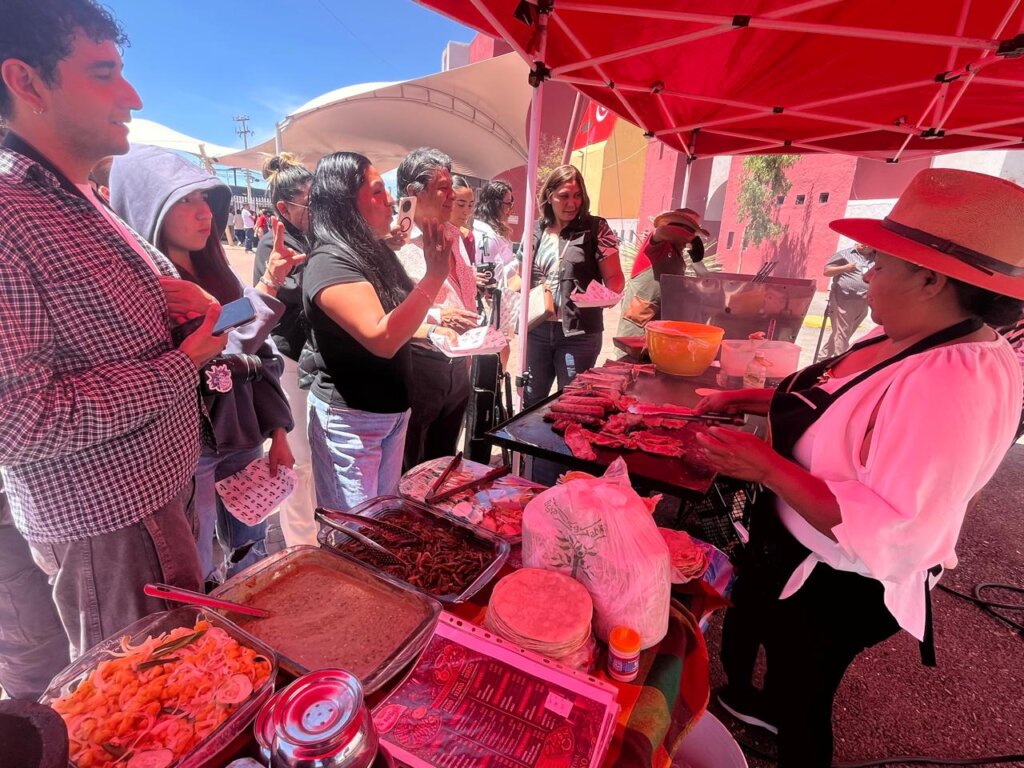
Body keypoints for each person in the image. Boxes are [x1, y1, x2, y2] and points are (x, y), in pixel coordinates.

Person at [693, 168, 1024, 767]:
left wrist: (766, 467)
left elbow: (898, 530)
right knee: (764, 638)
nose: (866, 273)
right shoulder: (910, 333)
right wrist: (743, 400)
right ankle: (749, 698)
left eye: (881, 263)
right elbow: (838, 405)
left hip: (839, 580)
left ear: (929, 278)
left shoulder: (950, 382)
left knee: (805, 698)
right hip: (790, 548)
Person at [0, 0, 224, 657]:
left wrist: (161, 299)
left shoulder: (76, 197)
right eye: (103, 74)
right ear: (26, 82)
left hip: (149, 505)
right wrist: (178, 367)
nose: (132, 95)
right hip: (113, 528)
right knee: (146, 721)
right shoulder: (10, 214)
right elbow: (17, 421)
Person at [111, 144, 293, 583]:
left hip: (244, 439)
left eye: (206, 199)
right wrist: (260, 291)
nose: (203, 213)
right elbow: (221, 350)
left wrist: (278, 430)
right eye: (184, 201)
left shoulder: (219, 272)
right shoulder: (148, 288)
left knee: (253, 551)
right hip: (188, 453)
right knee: (197, 562)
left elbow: (256, 356)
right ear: (146, 206)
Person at [302, 151, 452, 511]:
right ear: (344, 201)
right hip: (351, 423)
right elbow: (382, 338)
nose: (390, 200)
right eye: (376, 191)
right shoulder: (329, 261)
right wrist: (434, 276)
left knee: (382, 521)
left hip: (390, 415)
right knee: (356, 534)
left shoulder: (369, 249)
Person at [396, 148, 479, 469]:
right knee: (411, 465)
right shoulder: (395, 243)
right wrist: (437, 318)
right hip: (418, 365)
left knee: (443, 464)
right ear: (413, 192)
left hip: (457, 366)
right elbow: (386, 313)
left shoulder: (452, 234)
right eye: (443, 187)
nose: (452, 194)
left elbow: (462, 294)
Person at [253, 152, 317, 546]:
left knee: (314, 456)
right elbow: (287, 295)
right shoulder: (270, 244)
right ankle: (302, 545)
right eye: (311, 202)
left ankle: (315, 532)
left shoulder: (315, 237)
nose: (317, 209)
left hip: (313, 362)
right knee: (300, 461)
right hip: (288, 361)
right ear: (283, 206)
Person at [524, 164, 624, 407]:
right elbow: (522, 276)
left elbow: (616, 278)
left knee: (572, 402)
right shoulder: (536, 229)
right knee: (531, 400)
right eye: (564, 196)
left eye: (577, 195)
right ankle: (527, 445)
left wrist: (608, 295)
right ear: (549, 196)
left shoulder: (596, 228)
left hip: (579, 333)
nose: (572, 203)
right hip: (536, 329)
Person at [616, 208, 709, 338]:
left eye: (692, 231)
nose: (688, 236)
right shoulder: (657, 244)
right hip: (638, 329)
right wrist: (692, 239)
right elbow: (662, 231)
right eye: (687, 231)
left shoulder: (678, 255)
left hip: (659, 327)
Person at [472, 179, 522, 357]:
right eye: (508, 203)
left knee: (501, 349)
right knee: (496, 351)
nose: (511, 208)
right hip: (492, 306)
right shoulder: (486, 235)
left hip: (501, 303)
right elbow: (488, 275)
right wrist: (520, 263)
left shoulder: (492, 230)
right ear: (495, 204)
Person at [820, 242, 875, 357]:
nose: (865, 245)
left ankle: (823, 358)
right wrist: (845, 268)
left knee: (844, 333)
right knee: (842, 333)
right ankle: (837, 363)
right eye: (862, 241)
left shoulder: (876, 258)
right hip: (843, 299)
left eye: (869, 243)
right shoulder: (844, 254)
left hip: (863, 301)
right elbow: (827, 271)